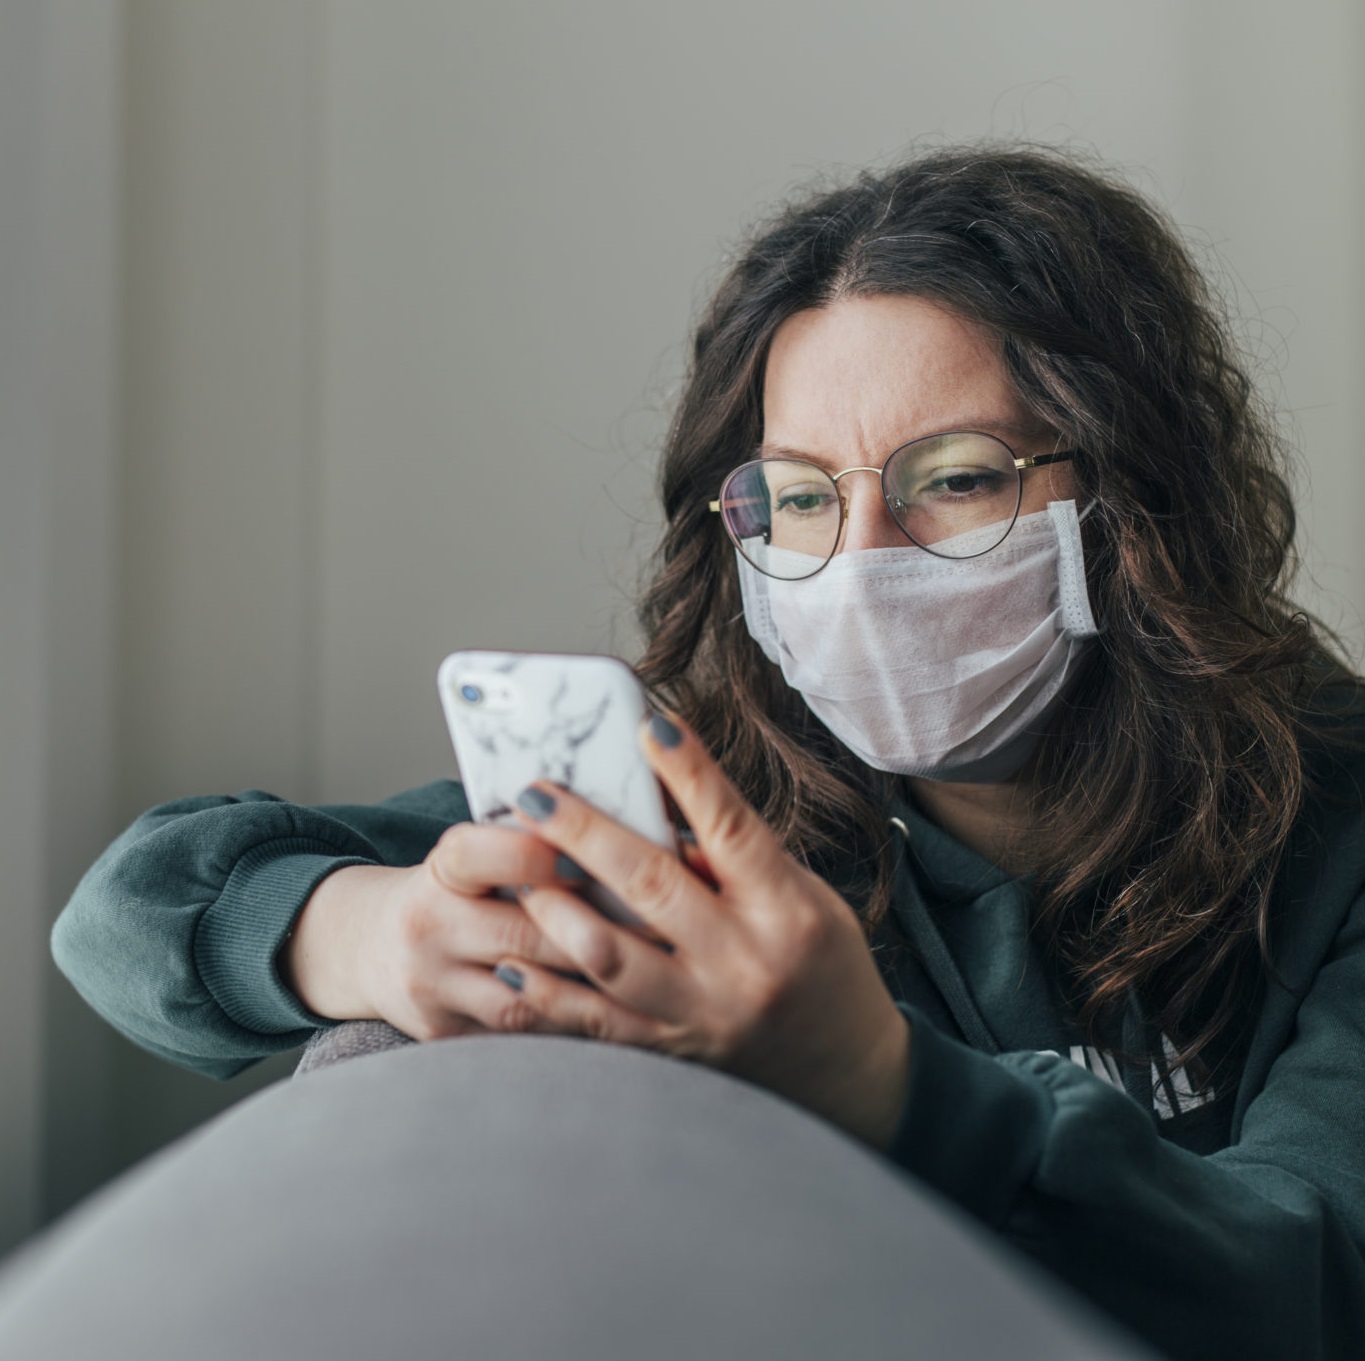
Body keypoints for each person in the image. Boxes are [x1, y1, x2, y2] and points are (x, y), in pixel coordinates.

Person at [53, 145, 1365, 1360]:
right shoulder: (713, 797)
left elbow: (1309, 1277)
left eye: (956, 478)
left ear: (1132, 496)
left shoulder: (1339, 814)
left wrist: (884, 1085)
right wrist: (368, 932)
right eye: (798, 497)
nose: (862, 563)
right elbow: (128, 908)